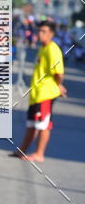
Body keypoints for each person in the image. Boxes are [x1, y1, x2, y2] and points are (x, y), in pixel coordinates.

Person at [10, 20, 67, 162]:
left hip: (45, 94)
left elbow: (59, 73)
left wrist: (58, 85)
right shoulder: (43, 48)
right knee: (31, 124)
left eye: (44, 31)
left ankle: (39, 154)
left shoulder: (53, 50)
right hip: (36, 94)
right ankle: (21, 150)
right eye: (39, 31)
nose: (40, 34)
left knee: (43, 125)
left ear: (51, 34)